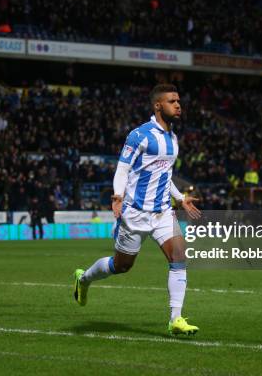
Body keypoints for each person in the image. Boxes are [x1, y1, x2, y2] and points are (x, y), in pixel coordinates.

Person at [73, 84, 201, 335]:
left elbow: (165, 174)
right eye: (171, 101)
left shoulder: (173, 138)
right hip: (135, 213)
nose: (178, 105)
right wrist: (118, 195)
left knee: (179, 258)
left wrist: (180, 198)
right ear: (157, 106)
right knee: (121, 266)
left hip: (163, 211)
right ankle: (84, 279)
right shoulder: (139, 135)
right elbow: (122, 169)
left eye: (178, 100)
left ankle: (175, 319)